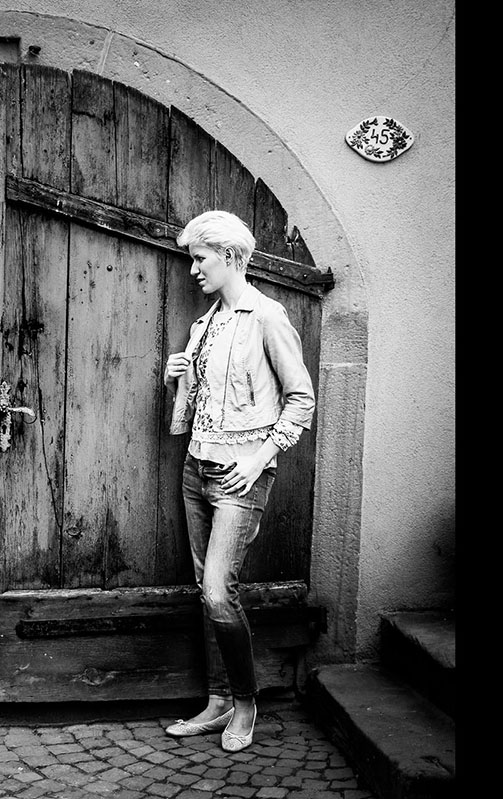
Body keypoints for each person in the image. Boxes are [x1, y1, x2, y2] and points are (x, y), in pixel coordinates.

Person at [161, 210, 315, 753]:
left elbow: (302, 400)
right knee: (208, 595)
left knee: (218, 592)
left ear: (228, 256)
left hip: (240, 475)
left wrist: (259, 461)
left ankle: (246, 702)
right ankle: (218, 699)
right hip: (196, 469)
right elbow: (199, 405)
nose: (193, 270)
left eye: (199, 259)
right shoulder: (205, 325)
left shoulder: (267, 317)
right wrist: (177, 376)